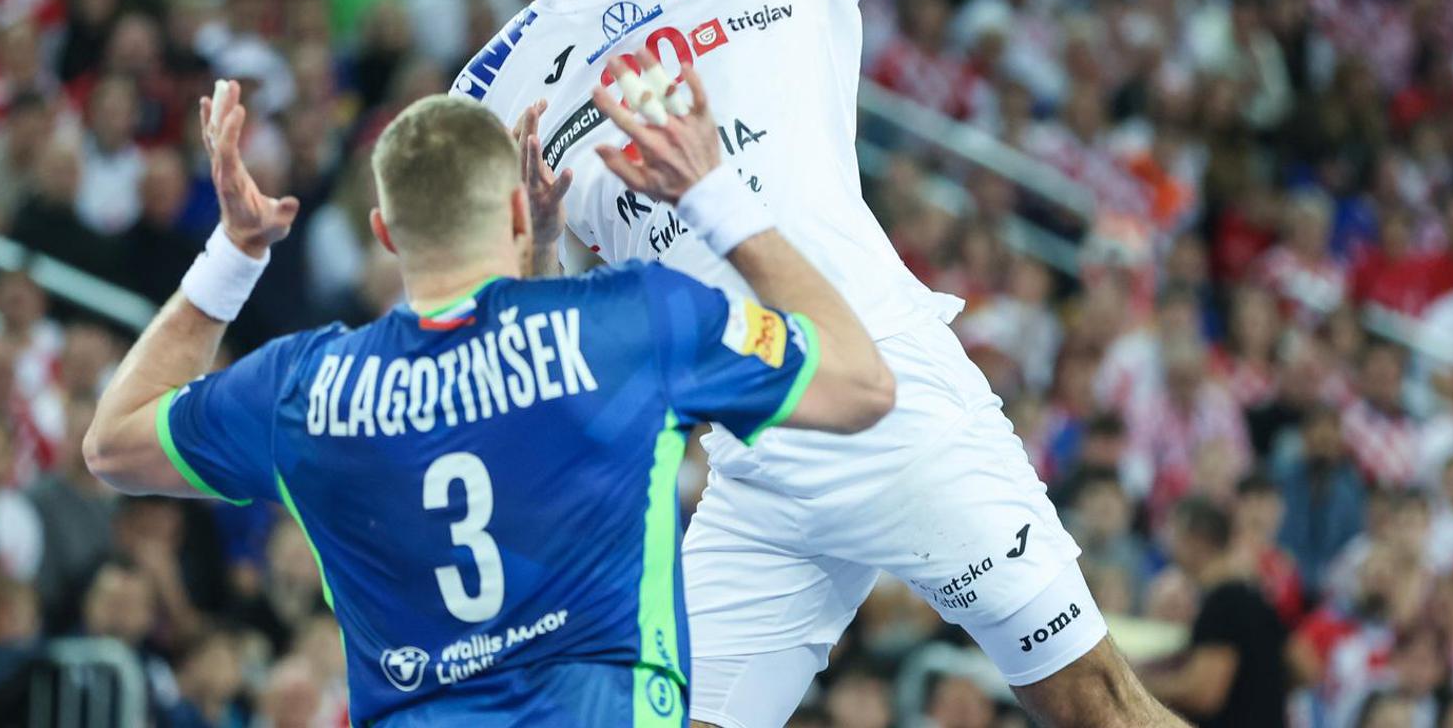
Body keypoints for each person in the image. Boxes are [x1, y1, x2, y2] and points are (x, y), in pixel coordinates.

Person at [457, 0, 1182, 726]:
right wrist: (545, 241)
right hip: (753, 452)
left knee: (1094, 707)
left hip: (895, 404)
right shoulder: (498, 85)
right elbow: (520, 329)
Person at [81, 73, 896, 725]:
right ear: (513, 208)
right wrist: (715, 193)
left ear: (386, 232)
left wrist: (235, 250)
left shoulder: (305, 388)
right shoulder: (630, 322)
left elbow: (112, 442)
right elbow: (861, 384)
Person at [1141, 496, 1287, 728]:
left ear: (1197, 541)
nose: (1168, 544)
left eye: (1174, 534)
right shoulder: (1253, 597)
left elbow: (1203, 694)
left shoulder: (1224, 603)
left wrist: (1136, 682)